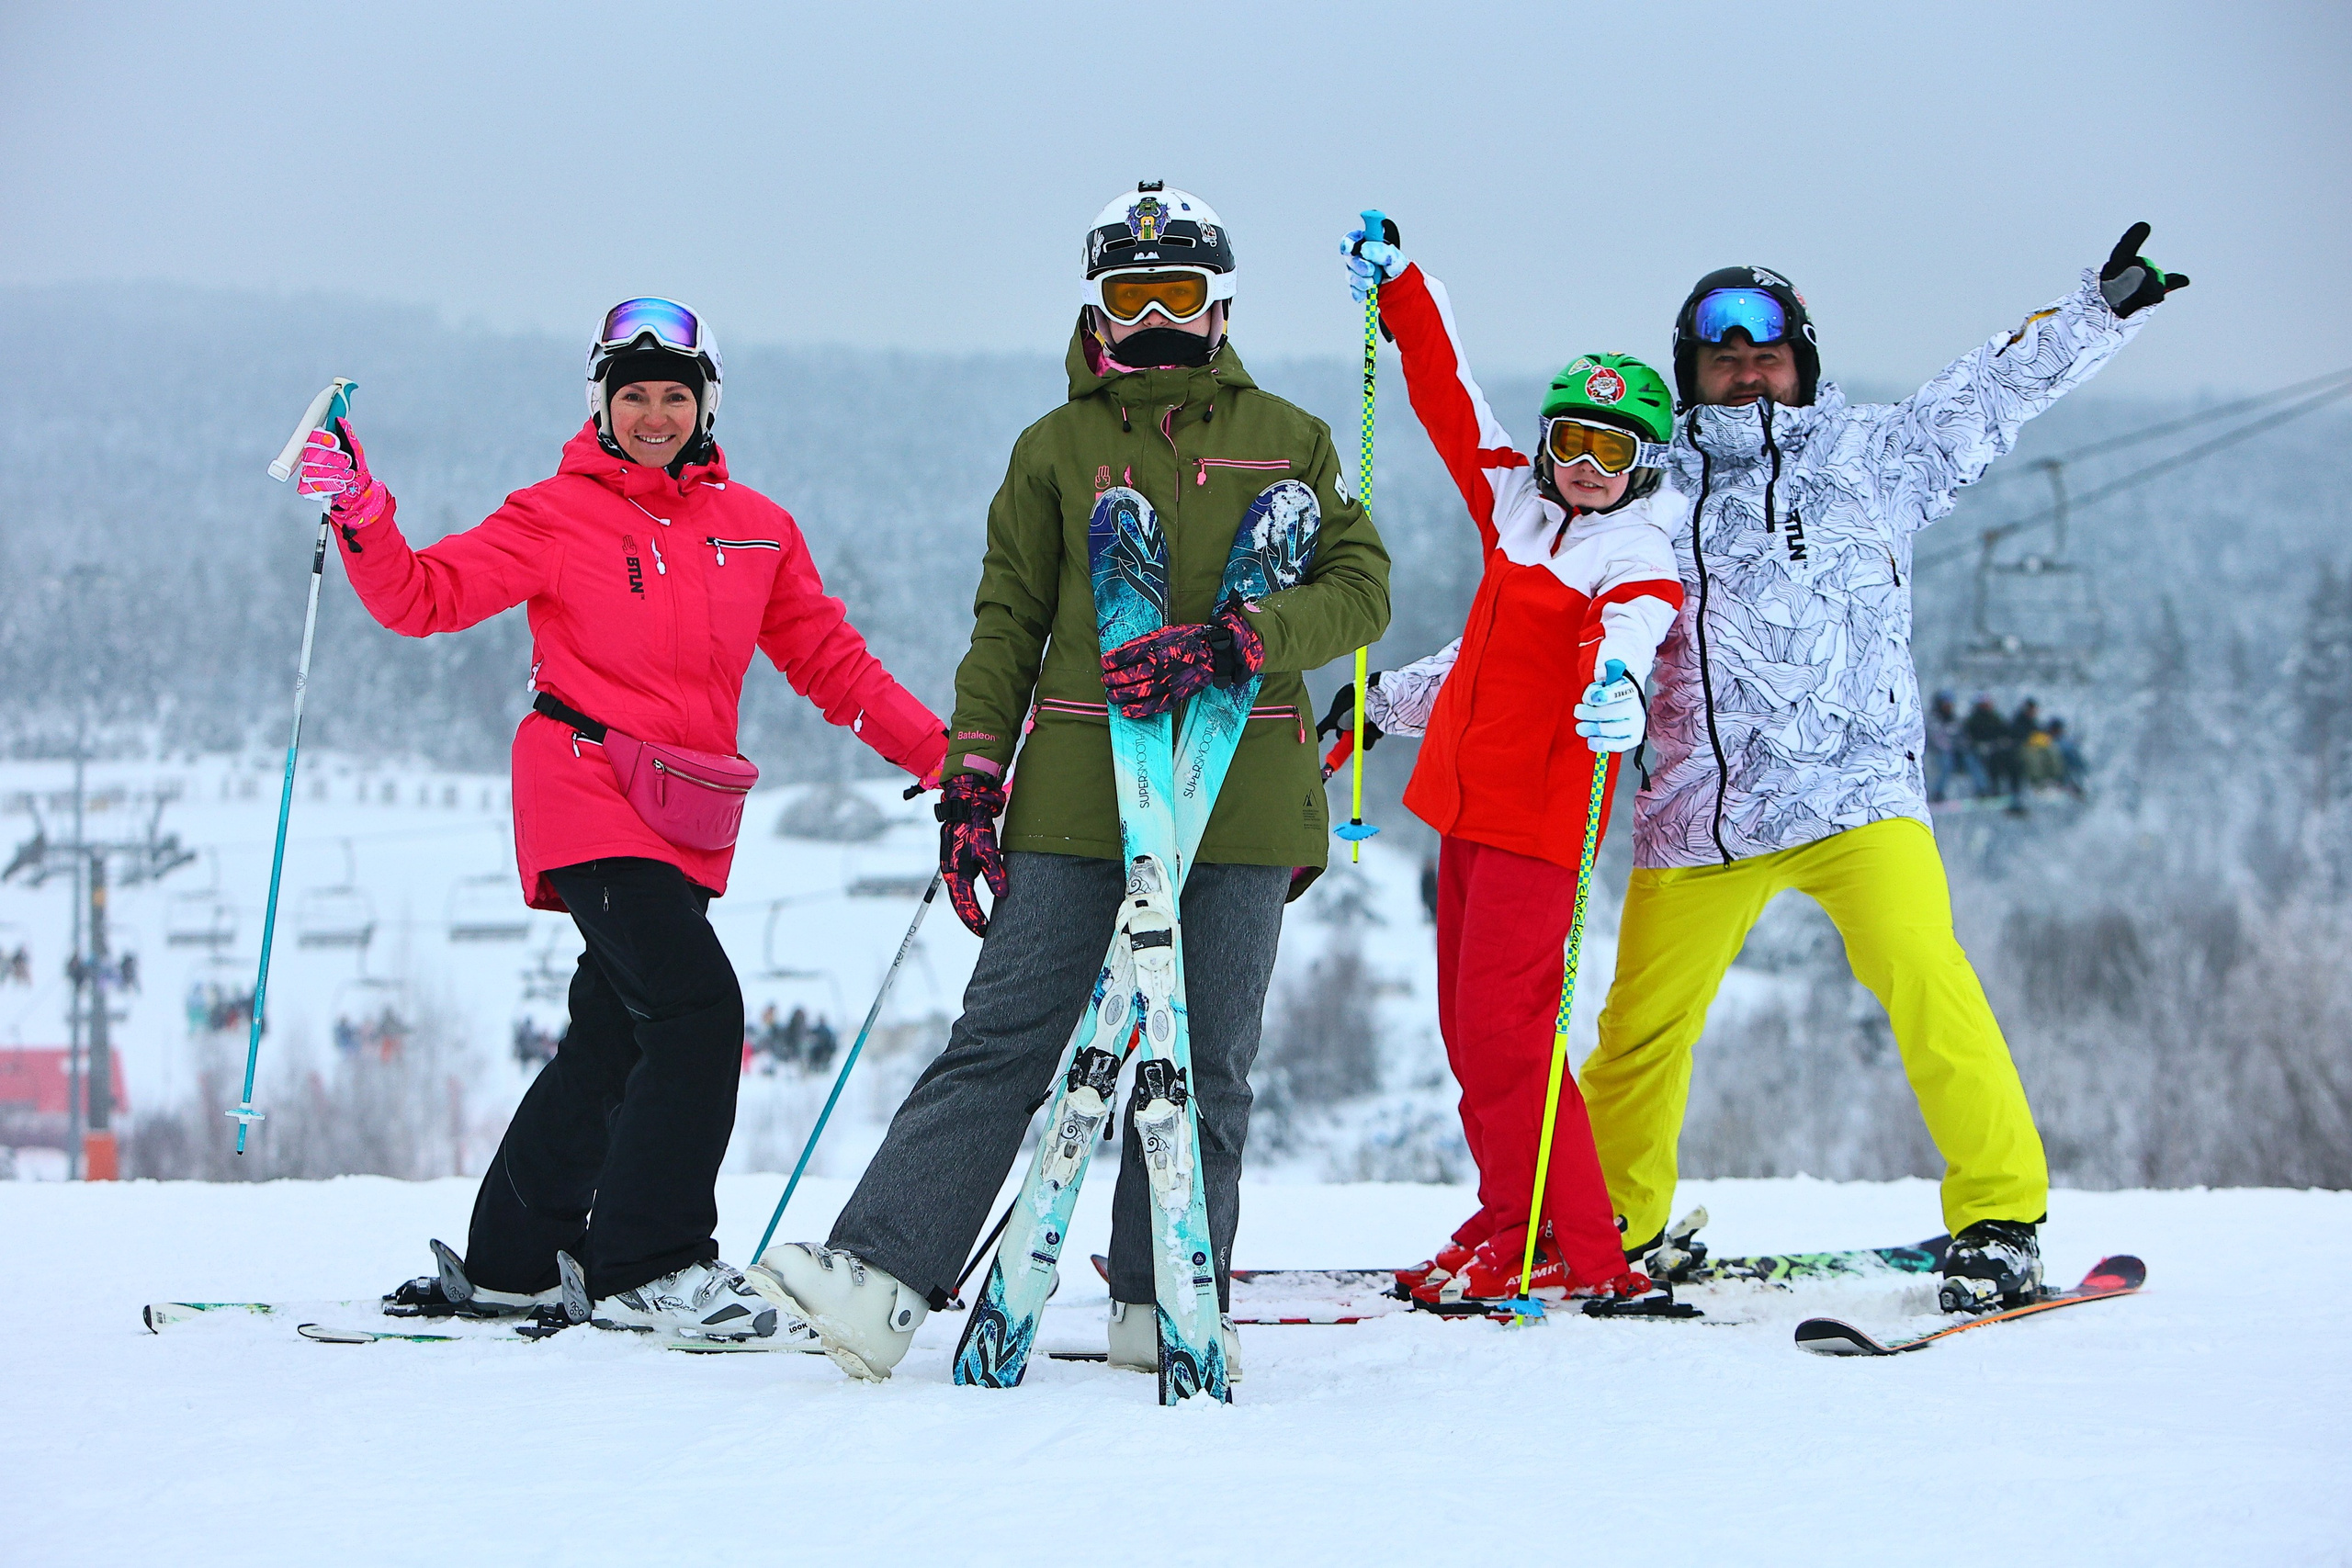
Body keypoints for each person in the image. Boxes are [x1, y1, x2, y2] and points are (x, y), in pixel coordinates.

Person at [754, 183, 1390, 1382]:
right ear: (1095, 311)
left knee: (1204, 1058)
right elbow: (1007, 626)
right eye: (1129, 296)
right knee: (1004, 1036)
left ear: (1221, 306)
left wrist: (1245, 637)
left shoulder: (1291, 437)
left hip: (1244, 790)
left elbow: (1361, 589)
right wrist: (970, 785)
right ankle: (881, 1276)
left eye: (1179, 293)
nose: (1154, 318)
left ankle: (1162, 1296)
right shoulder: (1053, 449)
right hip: (1076, 794)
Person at [298, 298, 946, 1341]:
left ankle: (512, 1261)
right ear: (600, 404)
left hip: (687, 811)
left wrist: (948, 761)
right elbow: (422, 597)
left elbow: (835, 666)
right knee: (697, 1012)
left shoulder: (757, 529)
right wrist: (365, 515)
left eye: (673, 396)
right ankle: (651, 1266)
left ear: (706, 406)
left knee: (613, 1039)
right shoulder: (557, 514)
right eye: (631, 394)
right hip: (585, 789)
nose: (653, 415)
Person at [1579, 225, 2187, 1313]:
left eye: (1767, 354)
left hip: (1856, 795)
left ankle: (1999, 1220)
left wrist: (2097, 311)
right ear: (1690, 371)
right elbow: (1536, 610)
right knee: (1637, 1029)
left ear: (1802, 361)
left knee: (1923, 974)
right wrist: (1390, 703)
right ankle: (1608, 1230)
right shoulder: (1648, 491)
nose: (1746, 372)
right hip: (1700, 811)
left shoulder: (1872, 457)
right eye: (1722, 357)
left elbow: (1991, 390)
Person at [1323, 226, 1680, 1308]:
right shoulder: (1518, 509)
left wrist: (1618, 685)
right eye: (1571, 441)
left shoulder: (1635, 552)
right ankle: (1509, 1210)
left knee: (1508, 1037)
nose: (1584, 468)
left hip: (1538, 824)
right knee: (1469, 1036)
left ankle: (1577, 1246)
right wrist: (1402, 291)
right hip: (1466, 810)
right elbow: (1451, 401)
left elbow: (1630, 626)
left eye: (1611, 452)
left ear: (1644, 463)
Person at [1964, 694, 2022, 810]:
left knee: (2013, 760)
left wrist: (2005, 741)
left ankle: (2015, 790)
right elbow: (1971, 736)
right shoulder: (1974, 720)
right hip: (1982, 748)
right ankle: (1993, 789)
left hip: (1997, 747)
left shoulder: (1995, 717)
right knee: (1992, 761)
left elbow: (2004, 730)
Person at [1924, 691, 1962, 803]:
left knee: (1971, 760)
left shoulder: (1953, 718)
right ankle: (1938, 792)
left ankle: (1982, 789)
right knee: (1946, 764)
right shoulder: (1934, 719)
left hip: (1955, 750)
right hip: (1937, 752)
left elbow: (1960, 735)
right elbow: (1936, 738)